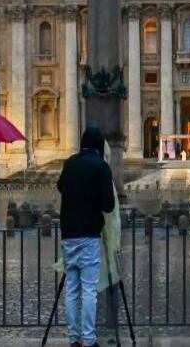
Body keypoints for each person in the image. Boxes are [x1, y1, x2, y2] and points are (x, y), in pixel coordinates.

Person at [57, 127, 116, 347]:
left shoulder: (70, 163)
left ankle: (74, 339)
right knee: (89, 289)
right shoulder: (101, 167)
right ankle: (89, 340)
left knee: (72, 288)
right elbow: (108, 205)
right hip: (89, 234)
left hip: (68, 233)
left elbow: (60, 186)